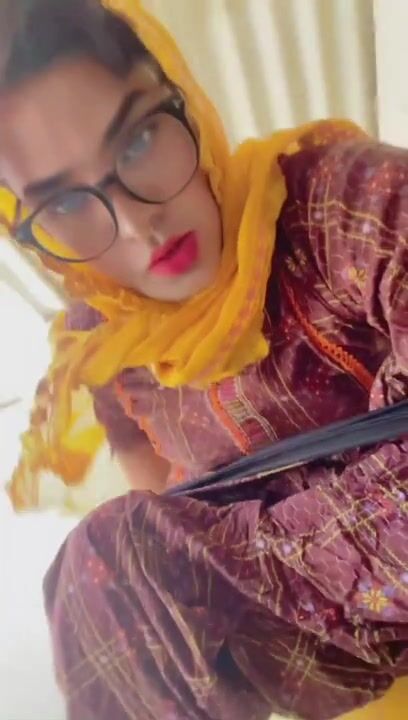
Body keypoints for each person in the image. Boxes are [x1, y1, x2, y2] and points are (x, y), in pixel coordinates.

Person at [0, 1, 407, 718]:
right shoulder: (107, 348)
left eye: (137, 140)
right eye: (63, 204)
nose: (138, 223)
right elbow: (168, 500)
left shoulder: (338, 207)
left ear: (178, 94)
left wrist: (218, 570)